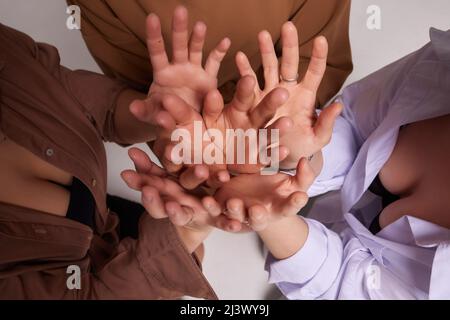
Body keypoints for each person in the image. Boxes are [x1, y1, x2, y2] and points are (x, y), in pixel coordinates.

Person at [126, 25, 450, 299]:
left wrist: (270, 220)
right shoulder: (442, 61)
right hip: (306, 209)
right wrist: (293, 151)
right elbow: (355, 123)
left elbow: (339, 283)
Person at [67, 0, 352, 106]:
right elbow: (144, 95)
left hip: (285, 123)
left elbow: (318, 58)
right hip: (193, 150)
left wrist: (275, 138)